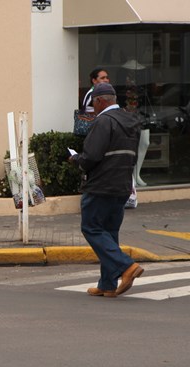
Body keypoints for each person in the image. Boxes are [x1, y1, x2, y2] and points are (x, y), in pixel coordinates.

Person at [69, 82, 144, 298]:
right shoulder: (131, 121)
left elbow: (91, 157)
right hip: (121, 186)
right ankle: (108, 284)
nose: (93, 107)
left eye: (93, 103)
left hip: (101, 185)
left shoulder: (104, 122)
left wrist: (76, 159)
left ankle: (126, 266)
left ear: (101, 101)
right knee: (109, 234)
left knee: (91, 228)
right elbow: (132, 156)